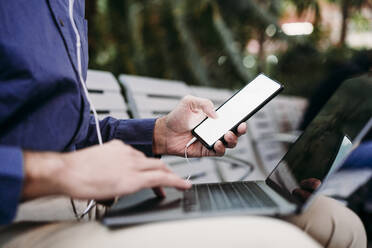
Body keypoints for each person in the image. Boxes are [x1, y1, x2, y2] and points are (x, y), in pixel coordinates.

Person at [0, 1, 366, 247]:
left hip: (93, 201)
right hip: (22, 214)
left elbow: (71, 131)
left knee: (340, 224)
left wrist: (158, 134)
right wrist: (52, 171)